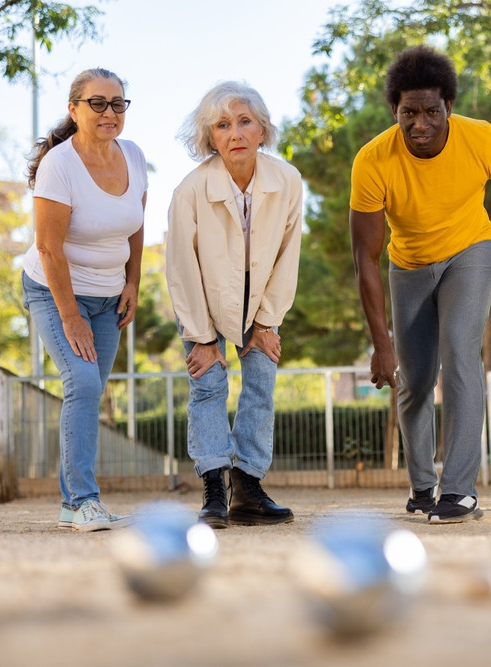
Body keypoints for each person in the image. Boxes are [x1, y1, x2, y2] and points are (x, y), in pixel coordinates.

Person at [350, 46, 491, 524]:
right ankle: (423, 486)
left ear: (448, 109)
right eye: (408, 113)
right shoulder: (373, 160)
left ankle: (459, 491)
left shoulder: (481, 140)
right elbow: (365, 258)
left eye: (431, 111)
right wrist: (382, 345)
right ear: (394, 111)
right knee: (413, 380)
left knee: (461, 351)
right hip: (409, 265)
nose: (420, 124)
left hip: (469, 252)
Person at [166, 81, 302, 529]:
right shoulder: (190, 189)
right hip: (205, 294)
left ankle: (247, 487)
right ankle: (213, 485)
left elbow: (287, 255)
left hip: (259, 292)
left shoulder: (287, 181)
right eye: (223, 125)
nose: (235, 132)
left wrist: (267, 322)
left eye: (244, 121)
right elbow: (182, 267)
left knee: (261, 378)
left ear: (262, 130)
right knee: (208, 382)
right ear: (211, 138)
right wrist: (203, 338)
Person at [21, 67, 146, 532]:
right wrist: (69, 316)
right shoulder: (60, 164)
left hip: (109, 294)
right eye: (97, 103)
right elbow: (50, 248)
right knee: (84, 384)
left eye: (117, 103)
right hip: (55, 291)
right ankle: (82, 501)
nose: (109, 112)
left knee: (90, 391)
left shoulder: (132, 155)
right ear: (74, 109)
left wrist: (133, 282)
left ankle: (70, 503)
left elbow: (135, 226)